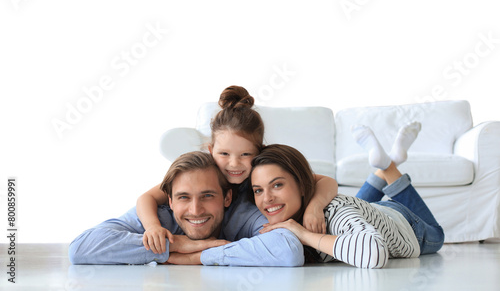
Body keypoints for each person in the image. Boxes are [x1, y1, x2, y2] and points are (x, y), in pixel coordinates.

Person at [136, 85, 338, 255]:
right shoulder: (203, 173)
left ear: (259, 152)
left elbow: (326, 181)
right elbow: (147, 198)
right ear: (211, 150)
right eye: (224, 154)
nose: (234, 164)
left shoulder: (263, 170)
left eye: (245, 155)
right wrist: (153, 226)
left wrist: (315, 206)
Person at [250, 122, 445, 269]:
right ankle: (387, 162)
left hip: (405, 224)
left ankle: (388, 166)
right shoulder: (277, 213)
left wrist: (304, 235)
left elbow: (374, 253)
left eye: (277, 185)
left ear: (302, 185)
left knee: (438, 234)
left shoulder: (337, 215)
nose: (266, 198)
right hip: (366, 211)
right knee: (357, 207)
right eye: (258, 190)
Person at [68, 151, 304, 266]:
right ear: (169, 201)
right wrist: (177, 245)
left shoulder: (242, 213)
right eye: (183, 197)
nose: (195, 210)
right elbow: (81, 248)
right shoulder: (159, 216)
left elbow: (287, 249)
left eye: (207, 196)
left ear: (227, 197)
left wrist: (199, 256)